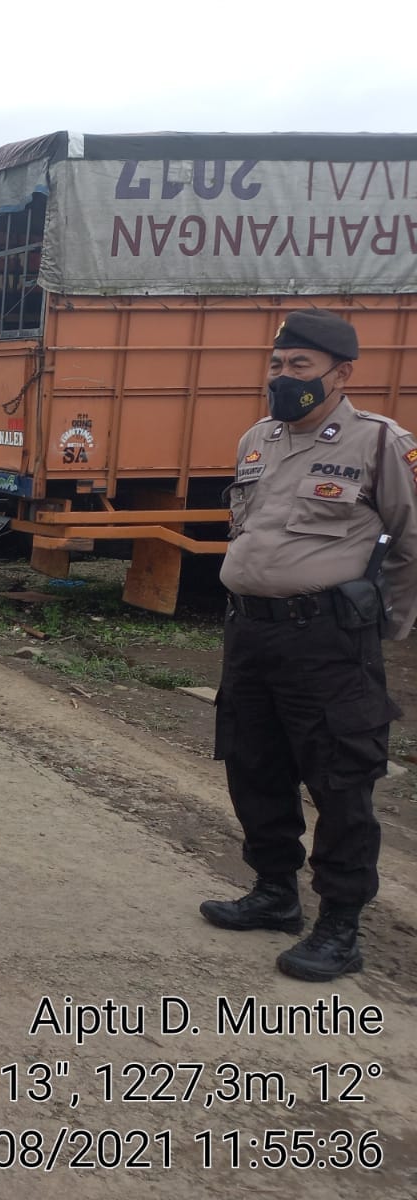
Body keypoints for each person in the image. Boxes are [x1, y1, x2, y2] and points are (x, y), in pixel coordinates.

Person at [201, 309, 417, 982]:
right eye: (277, 364)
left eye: (300, 366)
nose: (284, 377)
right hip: (252, 634)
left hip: (328, 641)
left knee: (340, 779)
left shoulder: (380, 443)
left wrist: (386, 625)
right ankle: (274, 892)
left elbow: (411, 543)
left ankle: (341, 926)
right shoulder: (257, 440)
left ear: (341, 373)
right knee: (254, 764)